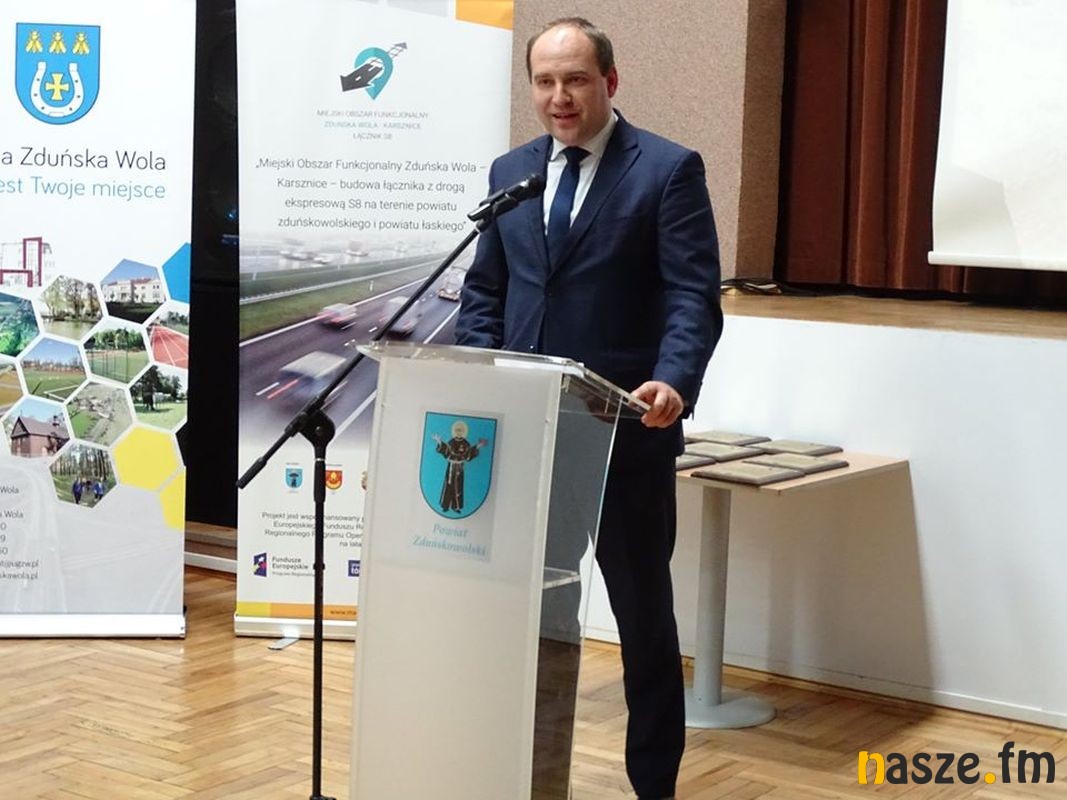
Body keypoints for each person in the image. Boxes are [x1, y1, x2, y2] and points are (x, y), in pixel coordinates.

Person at [455, 17, 722, 800]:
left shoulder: (665, 170)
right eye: (544, 82)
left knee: (643, 621)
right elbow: (486, 291)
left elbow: (691, 295)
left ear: (610, 80)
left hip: (624, 435)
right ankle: (531, 774)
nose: (559, 97)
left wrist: (673, 379)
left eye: (574, 79)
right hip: (529, 438)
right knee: (537, 616)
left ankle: (653, 786)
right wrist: (479, 371)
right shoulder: (513, 172)